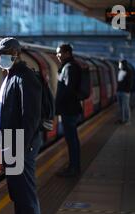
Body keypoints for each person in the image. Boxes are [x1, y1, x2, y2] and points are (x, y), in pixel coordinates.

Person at [0, 37, 42, 214]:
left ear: (16, 53)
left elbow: (30, 117)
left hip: (20, 147)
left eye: (4, 53)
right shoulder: (12, 76)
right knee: (18, 196)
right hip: (12, 146)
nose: (0, 57)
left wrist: (19, 148)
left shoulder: (25, 77)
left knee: (26, 197)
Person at [55, 43, 82, 177]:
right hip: (70, 108)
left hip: (69, 109)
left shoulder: (70, 68)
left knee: (71, 140)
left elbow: (67, 90)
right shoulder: (70, 66)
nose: (57, 55)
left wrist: (57, 104)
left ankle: (74, 167)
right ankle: (73, 165)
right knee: (72, 139)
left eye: (59, 52)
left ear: (67, 53)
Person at [116, 59, 133, 125]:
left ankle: (127, 120)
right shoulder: (120, 71)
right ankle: (122, 119)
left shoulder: (129, 72)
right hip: (119, 91)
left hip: (125, 92)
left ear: (123, 64)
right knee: (120, 106)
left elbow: (130, 82)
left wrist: (127, 90)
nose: (119, 65)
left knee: (125, 106)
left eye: (120, 64)